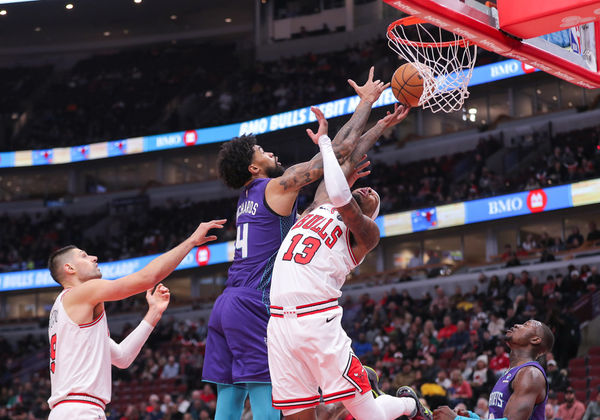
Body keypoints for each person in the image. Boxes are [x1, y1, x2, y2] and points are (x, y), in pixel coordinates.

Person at [203, 67, 394, 420]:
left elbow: (338, 168)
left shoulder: (253, 199)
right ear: (252, 169)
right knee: (266, 397)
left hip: (226, 303)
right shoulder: (274, 188)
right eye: (261, 151)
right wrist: (366, 104)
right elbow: (341, 149)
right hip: (253, 303)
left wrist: (377, 131)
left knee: (228, 402)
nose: (270, 153)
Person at [266, 106, 430, 420]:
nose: (368, 190)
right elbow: (346, 163)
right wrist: (380, 120)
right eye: (365, 188)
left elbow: (342, 195)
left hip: (317, 321)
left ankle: (410, 405)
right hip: (278, 325)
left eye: (374, 197)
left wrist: (325, 143)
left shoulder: (365, 233)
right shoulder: (320, 206)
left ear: (371, 213)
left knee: (370, 417)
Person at [46, 218, 225, 419]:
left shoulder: (67, 314)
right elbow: (146, 279)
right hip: (79, 411)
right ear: (70, 268)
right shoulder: (81, 293)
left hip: (71, 410)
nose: (94, 257)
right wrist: (191, 241)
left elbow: (123, 358)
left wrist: (154, 313)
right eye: (84, 256)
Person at [433, 319, 554, 420]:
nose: (517, 325)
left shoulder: (531, 374)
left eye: (526, 325)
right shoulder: (512, 373)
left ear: (535, 339)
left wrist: (457, 419)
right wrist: (474, 418)